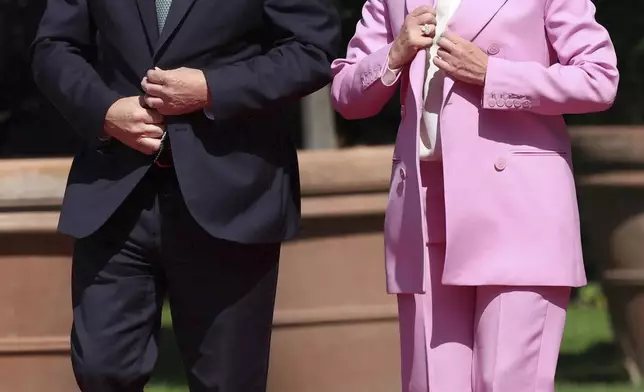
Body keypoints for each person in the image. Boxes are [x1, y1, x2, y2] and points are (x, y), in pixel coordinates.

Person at [31, 0, 340, 390]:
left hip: (231, 194)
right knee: (102, 370)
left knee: (226, 381)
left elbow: (313, 49)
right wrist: (104, 111)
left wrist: (212, 89)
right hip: (116, 191)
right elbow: (54, 46)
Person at [330, 0, 618, 390]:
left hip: (518, 207)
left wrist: (493, 74)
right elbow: (346, 96)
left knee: (507, 382)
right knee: (432, 383)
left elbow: (599, 79)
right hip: (423, 206)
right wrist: (394, 54)